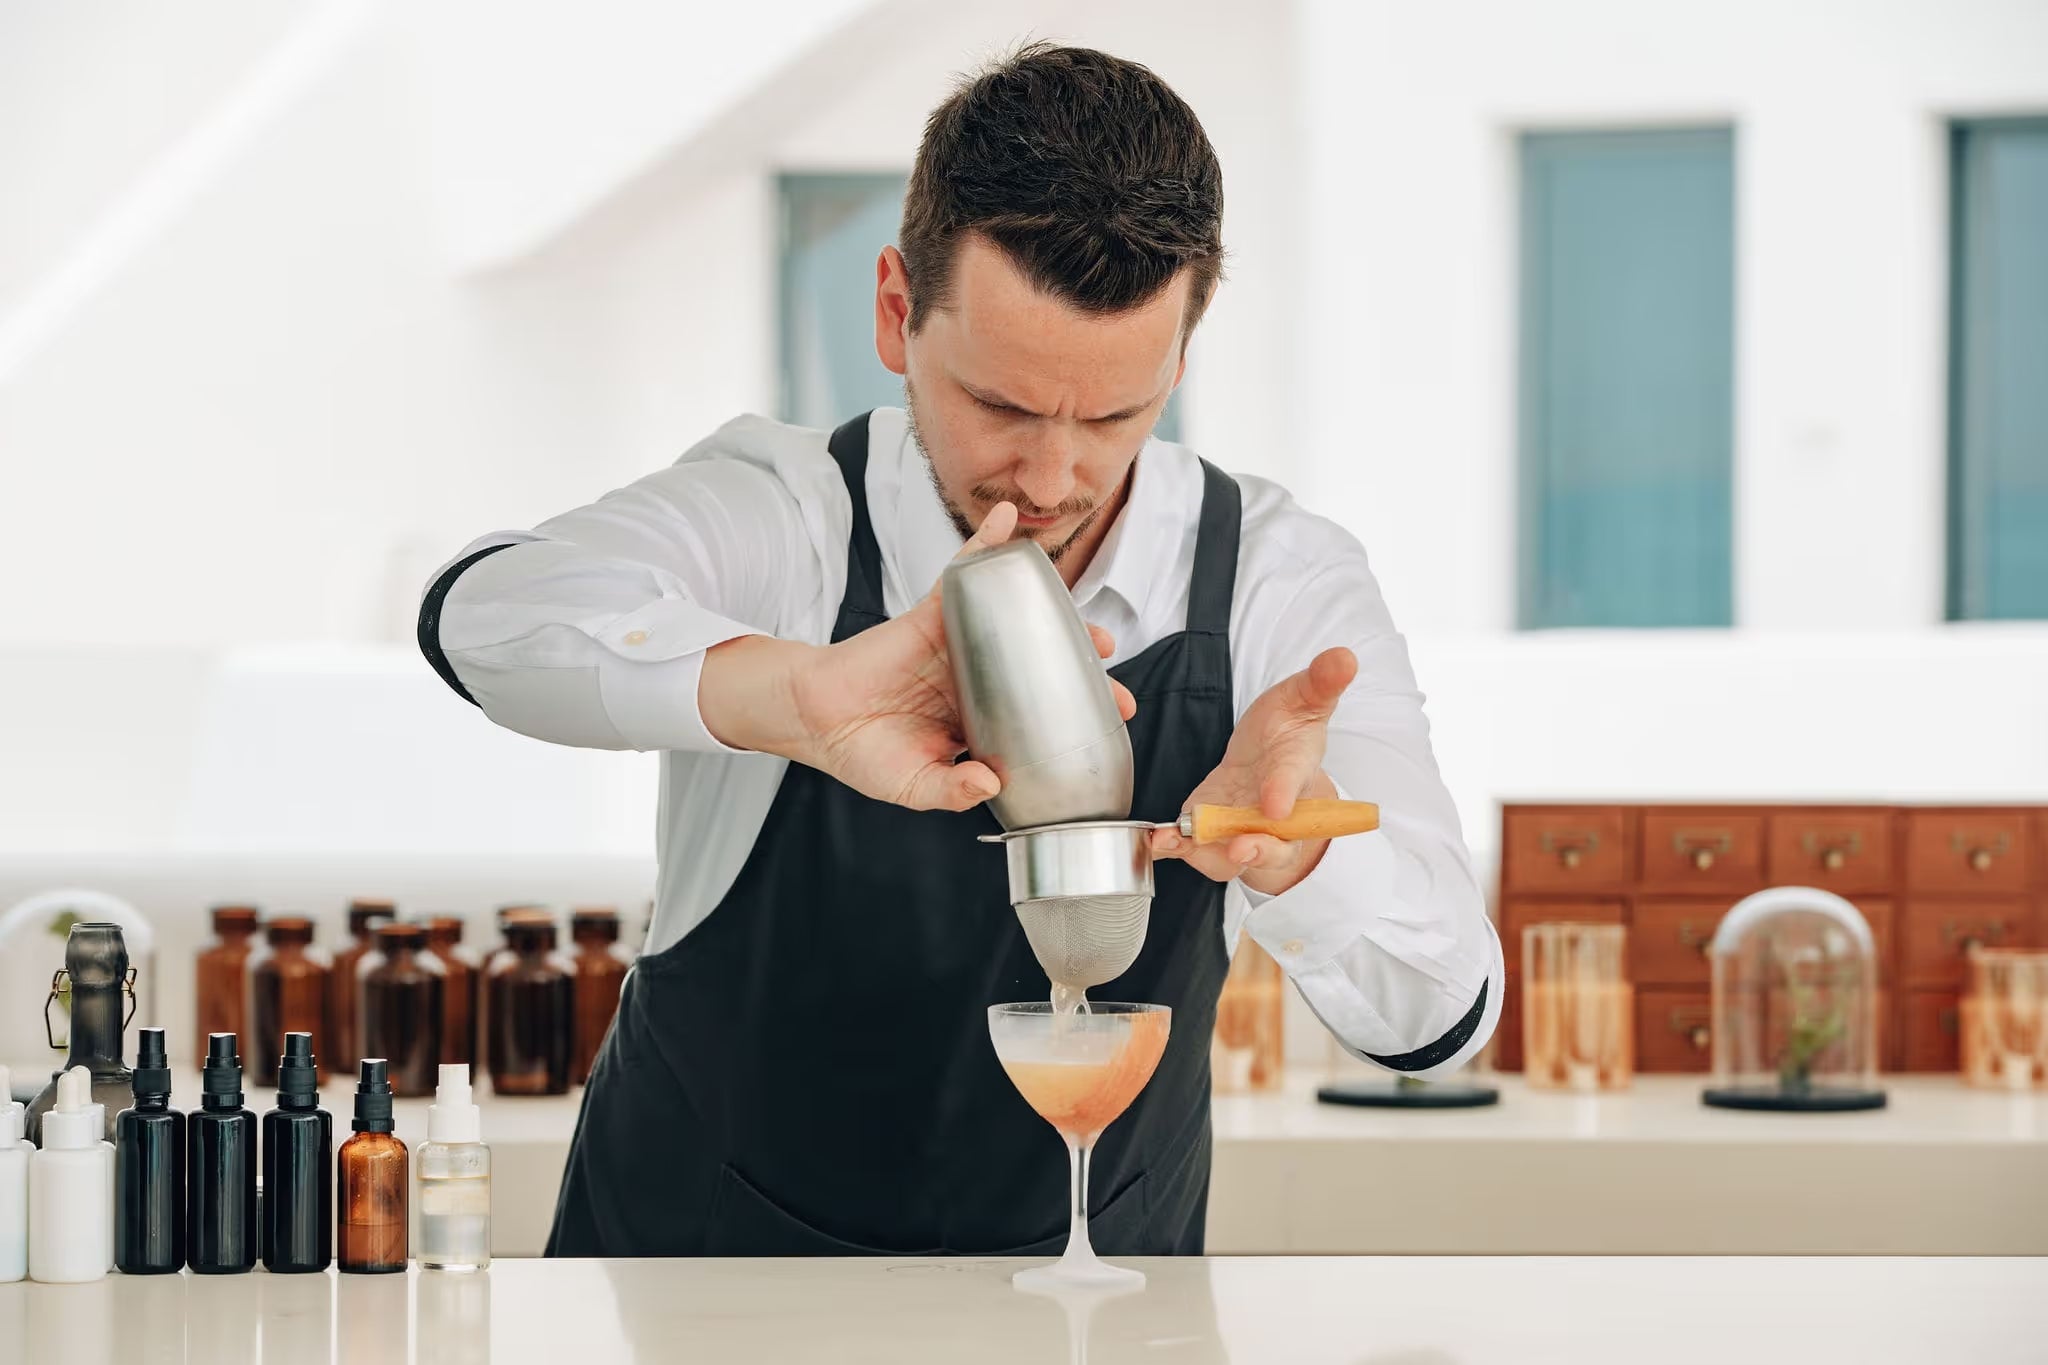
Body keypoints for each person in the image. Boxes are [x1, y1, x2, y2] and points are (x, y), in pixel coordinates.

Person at [418, 43, 1502, 1258]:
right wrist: (796, 696)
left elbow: (1440, 1015)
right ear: (895, 312)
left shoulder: (1274, 582)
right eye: (999, 405)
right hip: (697, 1290)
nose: (1050, 479)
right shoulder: (784, 514)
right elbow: (481, 613)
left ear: (1179, 357)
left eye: (1111, 418)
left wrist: (1292, 857)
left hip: (1095, 1310)